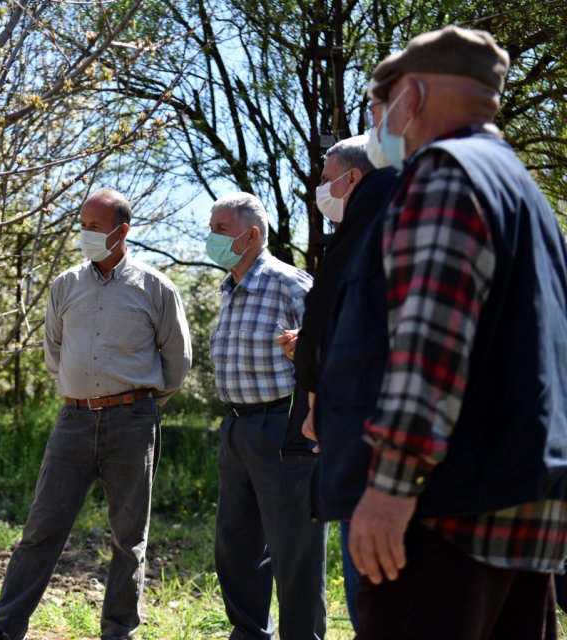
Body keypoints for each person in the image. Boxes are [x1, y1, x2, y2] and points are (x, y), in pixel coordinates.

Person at [313, 25, 567, 639]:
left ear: (415, 95)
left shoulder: (445, 176)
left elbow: (429, 344)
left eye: (383, 100)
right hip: (520, 508)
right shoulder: (523, 192)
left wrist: (392, 485)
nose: (381, 117)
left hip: (439, 516)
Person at [0, 188, 192, 640]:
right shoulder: (65, 285)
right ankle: (2, 630)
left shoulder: (156, 288)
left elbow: (177, 363)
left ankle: (118, 633)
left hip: (132, 423)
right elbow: (54, 354)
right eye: (82, 225)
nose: (85, 235)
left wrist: (138, 404)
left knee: (128, 539)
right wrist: (83, 391)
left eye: (94, 227)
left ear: (122, 231)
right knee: (41, 529)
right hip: (72, 422)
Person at [275, 135, 397, 631]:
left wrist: (316, 367)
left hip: (368, 435)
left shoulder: (375, 232)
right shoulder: (372, 231)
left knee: (370, 572)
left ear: (354, 179)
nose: (320, 193)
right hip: (355, 427)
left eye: (326, 181)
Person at [205, 192, 326, 640]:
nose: (210, 238)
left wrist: (310, 349)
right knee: (235, 546)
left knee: (295, 548)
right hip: (235, 427)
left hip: (282, 426)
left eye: (220, 230)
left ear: (251, 234)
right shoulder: (230, 288)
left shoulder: (290, 283)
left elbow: (330, 349)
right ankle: (250, 632)